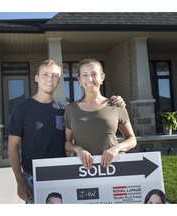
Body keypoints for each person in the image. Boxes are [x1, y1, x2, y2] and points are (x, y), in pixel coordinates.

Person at [7, 59, 126, 204]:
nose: (50, 79)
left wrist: (117, 101)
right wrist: (20, 181)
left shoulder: (65, 109)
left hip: (63, 174)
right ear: (36, 78)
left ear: (59, 80)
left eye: (55, 75)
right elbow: (12, 148)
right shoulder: (21, 109)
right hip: (33, 177)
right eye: (45, 74)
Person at [64, 58, 137, 170]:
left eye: (94, 74)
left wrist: (117, 148)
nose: (89, 79)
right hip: (83, 170)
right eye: (85, 75)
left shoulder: (116, 105)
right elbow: (67, 143)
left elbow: (132, 139)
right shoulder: (71, 109)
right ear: (79, 79)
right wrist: (78, 149)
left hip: (113, 168)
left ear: (102, 77)